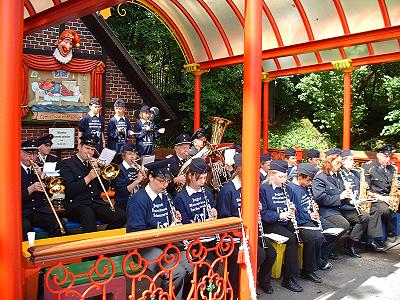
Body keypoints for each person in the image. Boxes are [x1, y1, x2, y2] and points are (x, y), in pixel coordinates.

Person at [126, 160, 193, 299]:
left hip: (165, 244)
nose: (165, 185)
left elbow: (168, 220)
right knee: (176, 272)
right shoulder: (138, 200)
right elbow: (136, 234)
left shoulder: (166, 196)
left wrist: (175, 219)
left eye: (168, 181)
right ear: (150, 177)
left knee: (193, 267)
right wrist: (166, 230)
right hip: (144, 247)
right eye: (161, 181)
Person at [217, 153, 276, 295]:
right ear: (241, 170)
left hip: (250, 231)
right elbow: (223, 217)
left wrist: (258, 208)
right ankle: (236, 288)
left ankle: (260, 281)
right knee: (258, 254)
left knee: (271, 253)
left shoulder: (249, 186)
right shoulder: (228, 190)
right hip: (233, 235)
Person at [60, 133, 126, 233]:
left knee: (121, 216)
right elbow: (69, 191)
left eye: (92, 150)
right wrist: (89, 177)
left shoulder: (94, 163)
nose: (90, 152)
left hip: (95, 202)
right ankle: (89, 245)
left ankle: (104, 240)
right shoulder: (67, 164)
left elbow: (104, 188)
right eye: (87, 148)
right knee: (88, 215)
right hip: (76, 204)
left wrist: (101, 171)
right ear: (79, 146)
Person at [312, 148, 369, 258]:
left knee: (364, 217)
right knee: (343, 225)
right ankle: (328, 249)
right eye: (338, 163)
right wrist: (340, 196)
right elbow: (320, 198)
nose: (340, 165)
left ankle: (351, 243)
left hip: (342, 207)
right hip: (328, 210)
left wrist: (352, 198)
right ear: (329, 162)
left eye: (341, 162)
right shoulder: (320, 177)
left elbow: (343, 193)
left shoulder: (339, 176)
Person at [259, 160, 303, 292]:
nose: (284, 180)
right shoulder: (263, 189)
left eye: (285, 176)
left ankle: (294, 272)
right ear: (271, 175)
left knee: (298, 234)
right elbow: (263, 213)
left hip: (284, 222)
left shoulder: (287, 189)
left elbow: (293, 206)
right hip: (269, 224)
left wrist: (291, 209)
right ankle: (288, 279)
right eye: (281, 177)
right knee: (291, 239)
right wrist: (279, 216)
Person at [288, 163, 336, 272]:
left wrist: (313, 207)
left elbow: (308, 203)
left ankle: (319, 258)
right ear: (300, 177)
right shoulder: (292, 189)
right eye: (308, 180)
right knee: (317, 237)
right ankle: (311, 267)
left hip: (310, 217)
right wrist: (309, 215)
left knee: (332, 231)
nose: (310, 183)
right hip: (302, 220)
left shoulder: (305, 187)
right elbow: (296, 213)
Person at [340, 150, 385, 251]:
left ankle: (370, 240)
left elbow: (362, 187)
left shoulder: (356, 173)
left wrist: (365, 186)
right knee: (365, 216)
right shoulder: (340, 174)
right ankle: (353, 242)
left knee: (376, 209)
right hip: (347, 205)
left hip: (358, 201)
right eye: (351, 160)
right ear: (343, 161)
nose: (353, 162)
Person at [21, 138, 63, 240]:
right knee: (26, 230)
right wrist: (30, 189)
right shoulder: (12, 169)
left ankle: (50, 253)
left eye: (35, 154)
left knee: (59, 225)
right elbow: (10, 199)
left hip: (38, 210)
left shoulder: (39, 169)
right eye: (28, 154)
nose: (32, 157)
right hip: (21, 212)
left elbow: (50, 194)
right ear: (20, 153)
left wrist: (42, 176)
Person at [363, 144, 398, 243]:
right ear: (379, 155)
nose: (388, 159)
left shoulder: (392, 167)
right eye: (386, 157)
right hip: (375, 197)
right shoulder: (368, 167)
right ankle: (390, 232)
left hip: (389, 196)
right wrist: (382, 198)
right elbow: (366, 189)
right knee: (385, 210)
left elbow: (393, 184)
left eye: (389, 157)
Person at [114, 143, 144, 211]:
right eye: (130, 154)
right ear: (123, 156)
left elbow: (142, 187)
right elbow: (122, 192)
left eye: (134, 154)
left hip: (137, 201)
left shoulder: (137, 167)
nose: (133, 156)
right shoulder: (119, 169)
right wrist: (137, 181)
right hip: (124, 203)